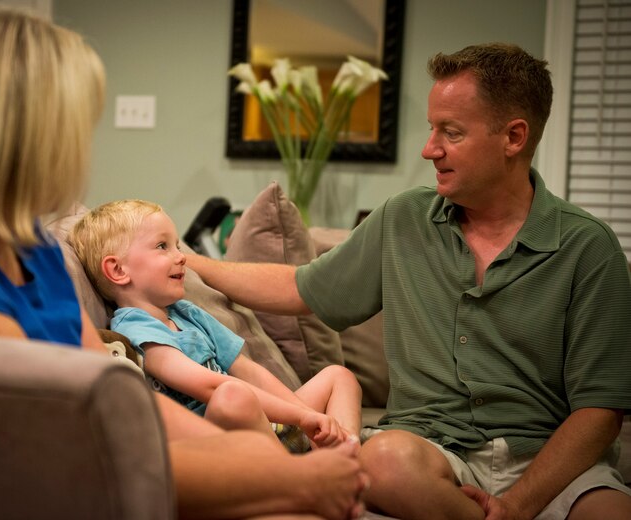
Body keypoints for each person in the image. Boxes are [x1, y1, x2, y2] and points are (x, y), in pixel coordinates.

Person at [0, 6, 368, 519]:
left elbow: (113, 396)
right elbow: (44, 448)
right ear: (26, 135)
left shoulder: (30, 248)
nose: (82, 150)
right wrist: (291, 478)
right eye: (79, 126)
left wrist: (259, 461)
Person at [187, 42, 631, 519]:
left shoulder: (587, 247)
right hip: (430, 451)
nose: (429, 149)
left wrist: (520, 504)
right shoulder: (403, 219)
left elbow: (600, 411)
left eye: (451, 132)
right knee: (383, 463)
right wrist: (190, 262)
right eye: (431, 128)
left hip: (546, 461)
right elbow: (301, 288)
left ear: (514, 137)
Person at [68, 199, 361, 451]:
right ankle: (292, 477)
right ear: (118, 270)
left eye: (177, 246)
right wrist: (301, 417)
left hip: (265, 423)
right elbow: (209, 385)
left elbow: (249, 371)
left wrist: (307, 417)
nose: (181, 257)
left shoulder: (187, 313)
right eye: (162, 246)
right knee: (231, 398)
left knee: (339, 376)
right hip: (220, 442)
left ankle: (342, 453)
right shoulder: (136, 329)